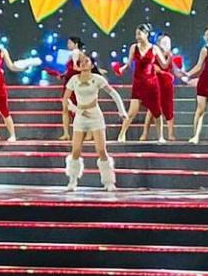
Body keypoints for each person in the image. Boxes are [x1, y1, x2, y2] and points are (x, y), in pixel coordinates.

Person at [62, 51, 128, 191]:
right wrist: (76, 109)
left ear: (92, 65)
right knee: (76, 150)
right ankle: (72, 181)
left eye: (87, 61)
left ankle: (109, 182)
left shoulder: (98, 79)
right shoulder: (74, 79)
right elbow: (65, 99)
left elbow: (114, 93)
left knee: (101, 150)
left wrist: (121, 110)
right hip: (80, 117)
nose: (83, 63)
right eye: (81, 61)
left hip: (95, 116)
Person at [119, 26, 165, 143]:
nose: (137, 37)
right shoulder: (134, 47)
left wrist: (167, 54)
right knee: (132, 111)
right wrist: (122, 68)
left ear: (146, 34)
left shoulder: (154, 48)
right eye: (136, 34)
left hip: (151, 84)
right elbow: (129, 63)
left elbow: (164, 64)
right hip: (138, 83)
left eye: (139, 34)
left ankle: (161, 136)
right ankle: (122, 134)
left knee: (156, 111)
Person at [57, 37, 84, 140]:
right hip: (70, 83)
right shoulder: (74, 54)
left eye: (70, 43)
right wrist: (64, 74)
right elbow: (71, 69)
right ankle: (67, 134)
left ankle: (69, 133)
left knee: (70, 108)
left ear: (76, 44)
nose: (68, 45)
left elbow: (75, 67)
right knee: (67, 109)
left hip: (74, 85)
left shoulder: (76, 52)